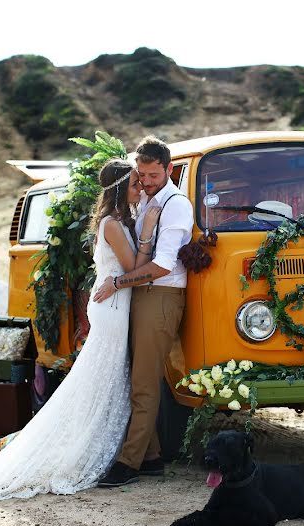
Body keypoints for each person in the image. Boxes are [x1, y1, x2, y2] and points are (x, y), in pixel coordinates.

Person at [0, 159, 161, 502]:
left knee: (107, 377)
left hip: (114, 304)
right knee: (103, 377)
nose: (140, 189)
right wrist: (148, 231)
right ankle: (92, 448)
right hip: (112, 309)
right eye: (135, 184)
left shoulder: (118, 221)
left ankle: (134, 450)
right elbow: (136, 266)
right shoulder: (115, 226)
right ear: (120, 189)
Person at [93, 136, 194, 487]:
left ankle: (129, 462)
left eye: (153, 175)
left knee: (144, 383)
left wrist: (118, 284)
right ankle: (150, 457)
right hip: (142, 296)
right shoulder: (145, 201)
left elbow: (164, 265)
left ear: (169, 169)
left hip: (161, 297)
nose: (148, 182)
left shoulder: (176, 205)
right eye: (143, 175)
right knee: (138, 378)